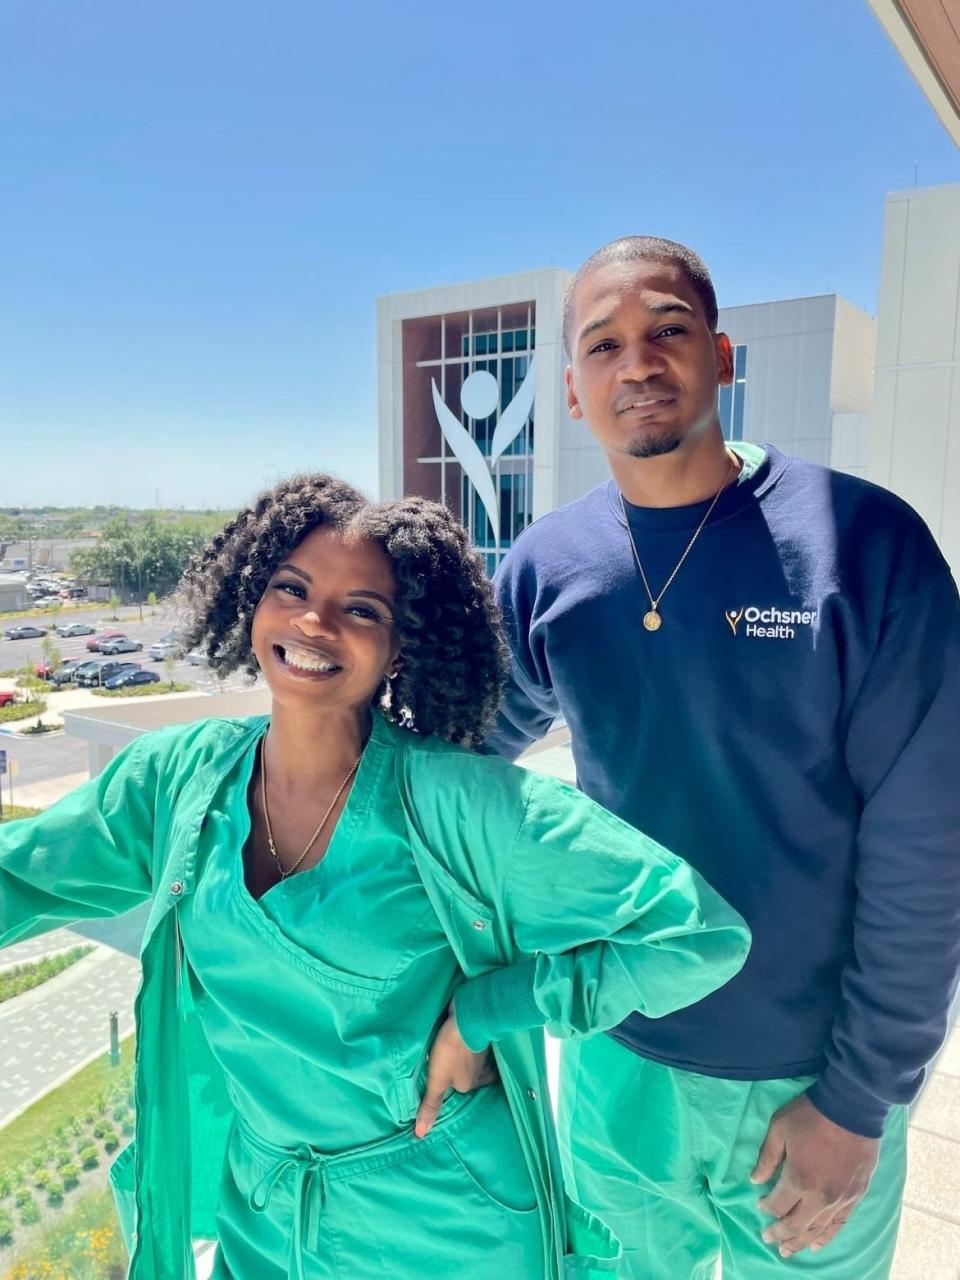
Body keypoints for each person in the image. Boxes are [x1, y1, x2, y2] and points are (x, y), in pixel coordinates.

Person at [0, 475, 750, 1280]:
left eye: (363, 610)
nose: (314, 622)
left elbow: (699, 935)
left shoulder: (463, 804)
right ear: (251, 601)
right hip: (259, 1211)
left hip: (439, 1217)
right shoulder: (180, 778)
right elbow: (23, 878)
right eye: (291, 588)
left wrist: (490, 1011)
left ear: (402, 646)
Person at [484, 236, 960, 1279]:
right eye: (603, 345)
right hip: (617, 1069)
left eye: (668, 331)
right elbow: (459, 759)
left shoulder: (866, 547)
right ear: (572, 389)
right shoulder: (547, 568)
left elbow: (928, 850)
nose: (637, 364)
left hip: (803, 1083)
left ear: (723, 356)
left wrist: (858, 1097)